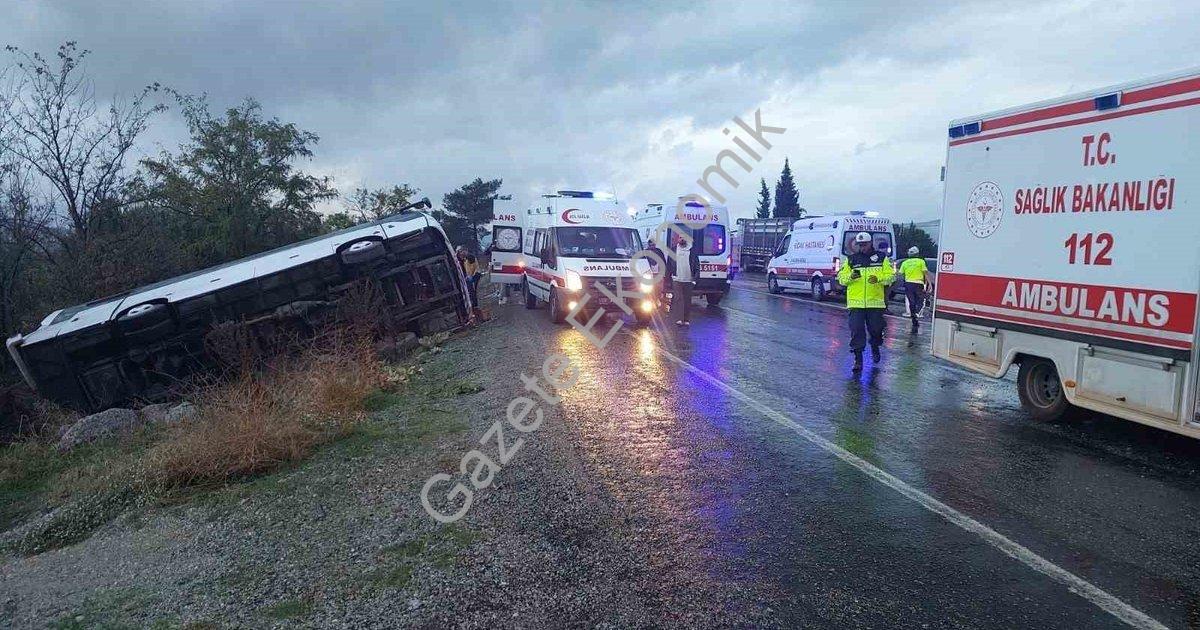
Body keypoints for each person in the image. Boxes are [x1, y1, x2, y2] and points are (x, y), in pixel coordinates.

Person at [836, 232, 894, 372]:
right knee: (856, 330)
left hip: (875, 302)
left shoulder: (881, 258)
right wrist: (851, 276)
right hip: (856, 303)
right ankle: (858, 359)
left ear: (870, 243)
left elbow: (891, 277)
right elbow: (841, 279)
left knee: (876, 329)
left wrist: (878, 278)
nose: (862, 247)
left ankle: (875, 345)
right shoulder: (851, 260)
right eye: (860, 245)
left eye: (865, 244)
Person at [667, 232, 700, 326]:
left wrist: (695, 279)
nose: (682, 239)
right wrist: (668, 279)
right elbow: (669, 265)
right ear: (678, 239)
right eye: (680, 237)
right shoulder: (673, 250)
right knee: (678, 299)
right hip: (676, 278)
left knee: (687, 300)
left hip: (688, 280)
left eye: (684, 238)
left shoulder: (692, 251)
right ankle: (679, 319)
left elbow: (697, 266)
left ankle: (686, 319)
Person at [898, 246, 931, 334]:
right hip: (918, 284)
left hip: (908, 284)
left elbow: (900, 273)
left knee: (911, 301)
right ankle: (916, 313)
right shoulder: (921, 261)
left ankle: (913, 316)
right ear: (917, 254)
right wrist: (930, 284)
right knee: (920, 300)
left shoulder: (905, 262)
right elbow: (925, 273)